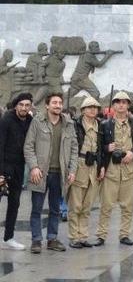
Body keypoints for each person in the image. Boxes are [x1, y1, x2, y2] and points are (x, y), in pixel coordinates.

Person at [23, 92, 77, 253]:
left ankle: (52, 239)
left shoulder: (68, 124)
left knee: (55, 209)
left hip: (60, 173)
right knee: (36, 209)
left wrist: (72, 170)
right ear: (47, 105)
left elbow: (74, 149)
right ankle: (36, 240)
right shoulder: (37, 122)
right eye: (54, 102)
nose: (58, 105)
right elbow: (28, 146)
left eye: (60, 103)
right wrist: (34, 167)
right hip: (40, 173)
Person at [95, 91, 133, 246]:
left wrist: (132, 153)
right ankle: (101, 235)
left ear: (128, 105)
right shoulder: (105, 124)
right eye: (118, 102)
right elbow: (99, 147)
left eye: (124, 102)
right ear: (113, 105)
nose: (121, 105)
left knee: (128, 205)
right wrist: (107, 149)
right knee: (106, 205)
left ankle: (124, 234)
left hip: (128, 167)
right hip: (111, 169)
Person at [67, 97, 105, 248]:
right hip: (79, 164)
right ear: (83, 110)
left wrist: (101, 166)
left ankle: (83, 236)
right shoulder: (75, 125)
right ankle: (73, 237)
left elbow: (101, 149)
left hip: (94, 165)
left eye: (95, 107)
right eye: (89, 107)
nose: (93, 110)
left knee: (87, 205)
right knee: (75, 204)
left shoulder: (100, 125)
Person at [0, 92, 33, 251]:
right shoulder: (6, 119)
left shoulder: (30, 120)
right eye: (21, 105)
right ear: (16, 105)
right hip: (4, 165)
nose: (24, 108)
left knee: (15, 203)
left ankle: (9, 238)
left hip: (19, 167)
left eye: (27, 105)